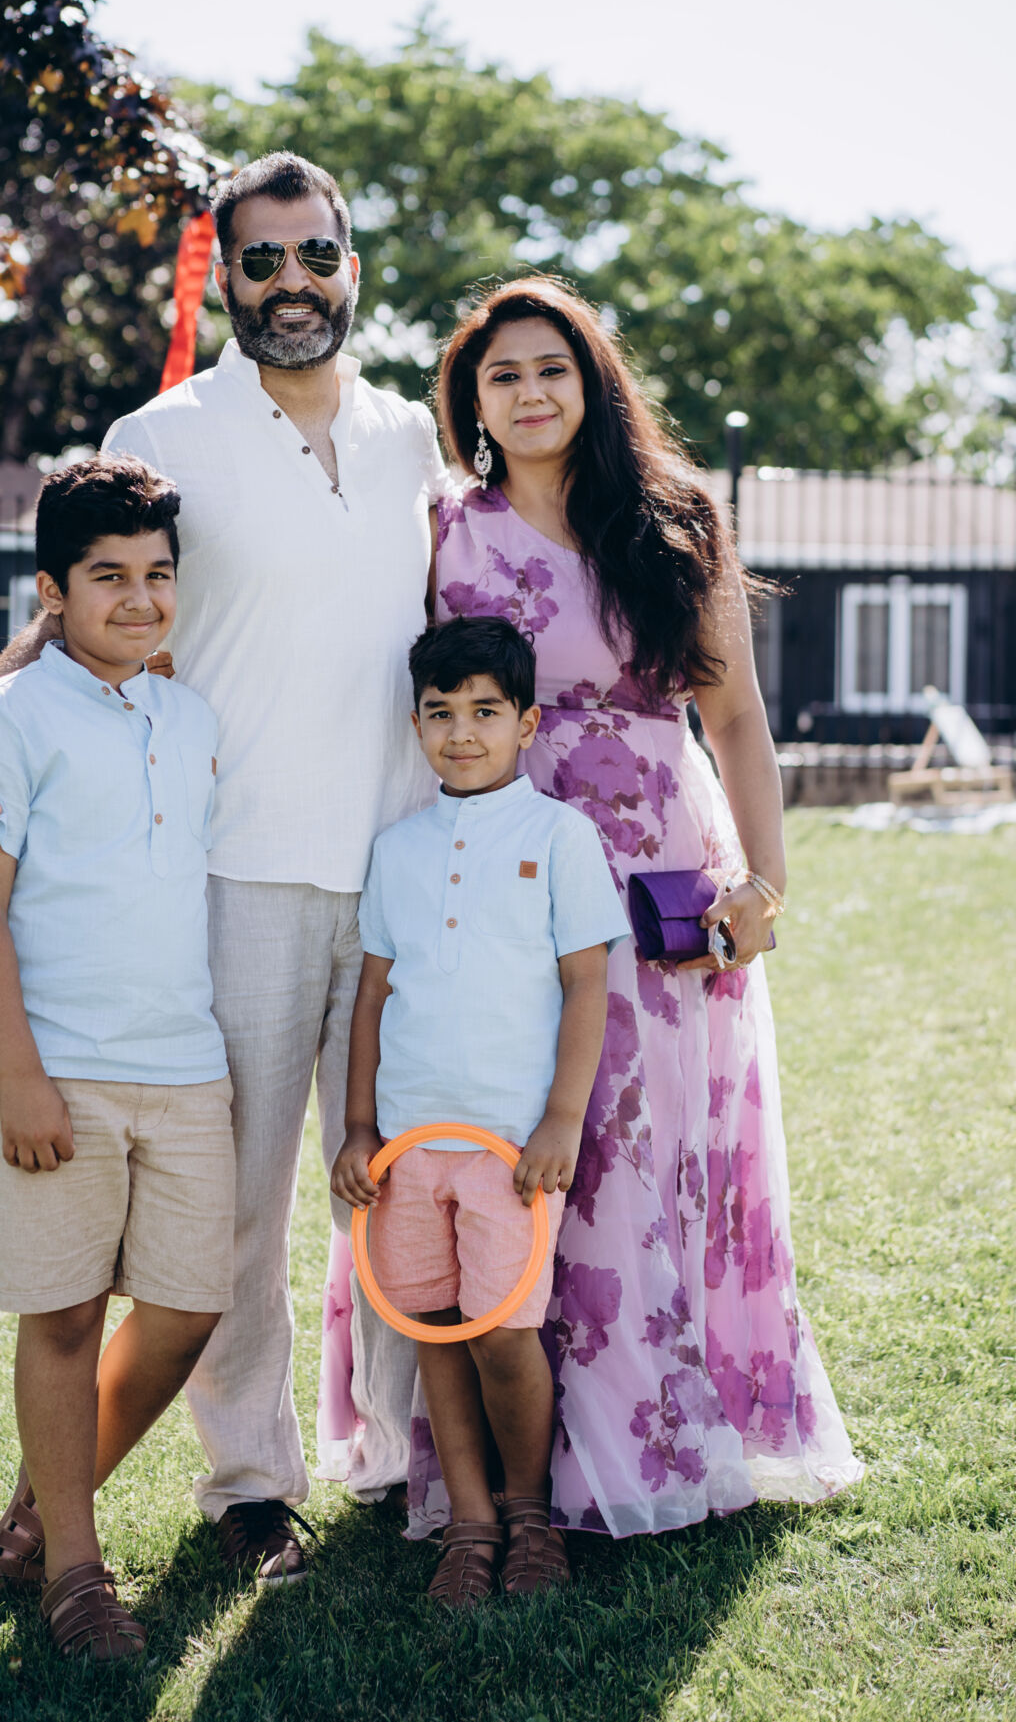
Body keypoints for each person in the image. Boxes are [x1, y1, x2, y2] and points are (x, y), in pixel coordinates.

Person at [0, 152, 451, 1582]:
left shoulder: (411, 435)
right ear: (228, 275)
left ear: (352, 264)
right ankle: (248, 1482)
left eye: (316, 254)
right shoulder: (165, 430)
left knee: (393, 1181)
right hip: (238, 876)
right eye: (261, 260)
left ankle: (399, 1461)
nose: (293, 283)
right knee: (237, 1213)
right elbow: (84, 597)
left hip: (399, 871)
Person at [406, 273, 865, 1537]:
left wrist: (762, 881)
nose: (528, 391)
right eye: (501, 375)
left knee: (648, 1139)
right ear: (471, 402)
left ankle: (652, 1430)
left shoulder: (675, 520)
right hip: (504, 865)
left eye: (550, 367)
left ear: (591, 381)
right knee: (522, 1129)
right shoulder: (442, 528)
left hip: (660, 866)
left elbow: (735, 717)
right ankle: (509, 1453)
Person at [0, 456, 234, 1661]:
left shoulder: (189, 714)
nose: (139, 598)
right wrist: (19, 1076)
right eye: (107, 576)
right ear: (52, 591)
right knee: (63, 1314)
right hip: (52, 1061)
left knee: (188, 1306)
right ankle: (74, 1569)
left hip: (183, 1060)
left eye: (157, 574)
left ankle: (39, 1502)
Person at [331, 616, 628, 1605]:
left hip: (510, 1149)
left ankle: (529, 1514)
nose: (461, 731)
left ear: (526, 723)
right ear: (416, 723)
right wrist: (360, 1128)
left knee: (503, 1333)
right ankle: (467, 1522)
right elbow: (373, 994)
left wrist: (560, 1120)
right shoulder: (397, 848)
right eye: (440, 712)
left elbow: (585, 985)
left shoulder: (560, 837)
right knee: (434, 1328)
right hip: (408, 1146)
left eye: (485, 711)